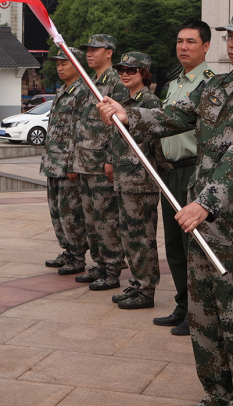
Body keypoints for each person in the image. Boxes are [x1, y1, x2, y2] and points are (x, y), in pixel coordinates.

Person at [98, 5, 233, 406]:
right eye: (229, 36)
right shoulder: (215, 86)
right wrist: (127, 114)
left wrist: (205, 202)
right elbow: (174, 115)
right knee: (204, 318)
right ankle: (217, 394)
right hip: (199, 225)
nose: (231, 44)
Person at [154, 21, 215, 336]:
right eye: (180, 41)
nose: (183, 47)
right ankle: (183, 304)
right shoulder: (174, 83)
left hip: (194, 171)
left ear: (206, 46)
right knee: (174, 246)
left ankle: (199, 312)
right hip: (170, 171)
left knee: (194, 246)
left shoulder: (211, 84)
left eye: (191, 41)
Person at [109, 52, 162, 309]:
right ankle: (138, 283)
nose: (125, 74)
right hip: (125, 178)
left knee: (142, 237)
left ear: (144, 73)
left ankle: (146, 289)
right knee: (129, 236)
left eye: (131, 70)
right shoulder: (125, 101)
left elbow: (156, 142)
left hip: (141, 181)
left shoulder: (150, 102)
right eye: (121, 70)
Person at [73, 34, 124, 290]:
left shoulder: (116, 82)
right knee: (91, 220)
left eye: (95, 49)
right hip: (85, 162)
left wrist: (111, 158)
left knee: (106, 220)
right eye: (88, 49)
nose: (89, 53)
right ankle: (100, 264)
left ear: (109, 52)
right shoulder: (91, 81)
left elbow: (118, 125)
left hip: (102, 164)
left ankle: (112, 268)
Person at [40, 46, 88, 275]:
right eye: (58, 64)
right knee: (57, 211)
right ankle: (68, 251)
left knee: (71, 212)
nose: (59, 68)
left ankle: (77, 256)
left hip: (68, 165)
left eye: (64, 63)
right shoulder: (63, 91)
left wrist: (73, 163)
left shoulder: (82, 92)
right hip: (53, 163)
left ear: (77, 65)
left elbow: (80, 131)